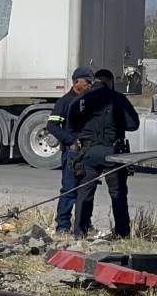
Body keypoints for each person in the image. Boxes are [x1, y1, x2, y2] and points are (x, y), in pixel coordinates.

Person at [67, 68, 140, 239]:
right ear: (111, 82)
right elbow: (133, 124)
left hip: (87, 152)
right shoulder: (119, 99)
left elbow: (71, 126)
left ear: (94, 81)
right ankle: (122, 233)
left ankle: (79, 232)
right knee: (118, 193)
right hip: (112, 152)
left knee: (84, 192)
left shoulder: (80, 100)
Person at [45, 67, 95, 234]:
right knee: (69, 189)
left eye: (91, 81)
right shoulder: (65, 102)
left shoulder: (89, 101)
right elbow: (51, 125)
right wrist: (70, 141)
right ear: (76, 82)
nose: (90, 84)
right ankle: (63, 226)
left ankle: (84, 225)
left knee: (86, 191)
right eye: (87, 81)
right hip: (72, 154)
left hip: (88, 153)